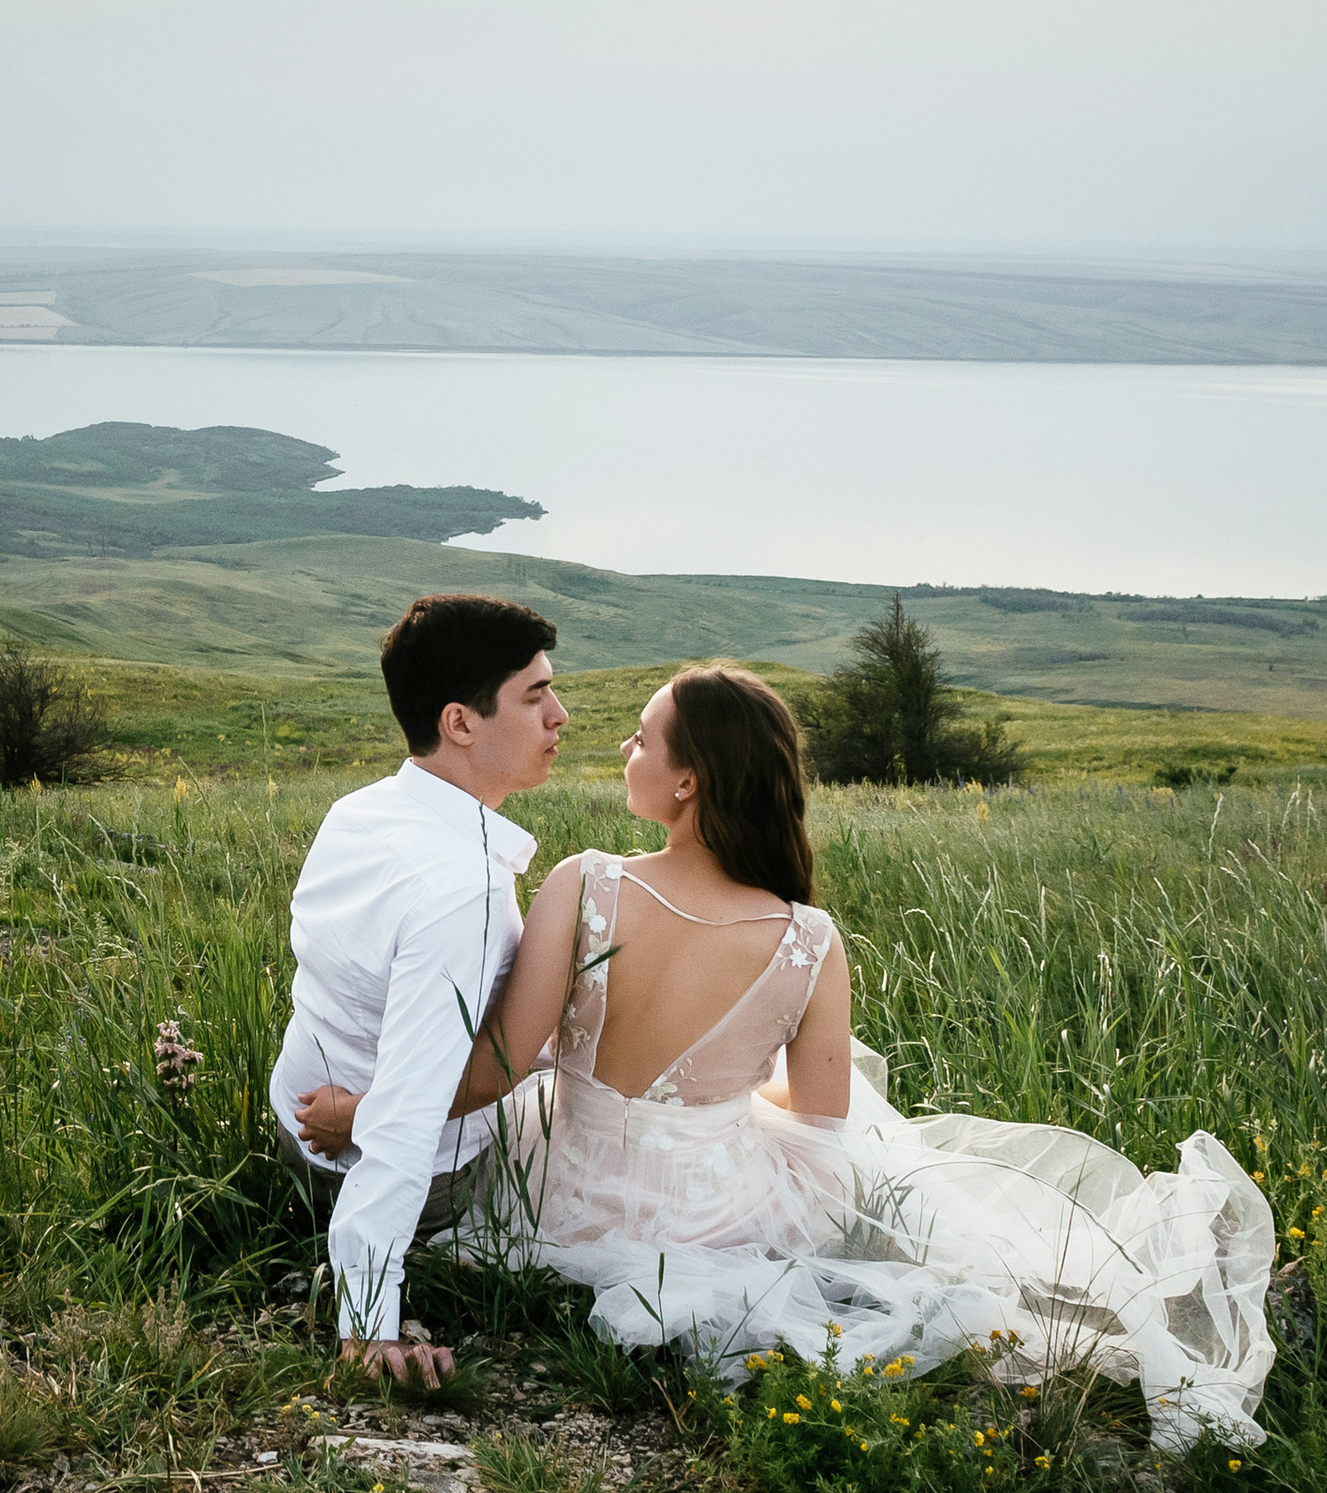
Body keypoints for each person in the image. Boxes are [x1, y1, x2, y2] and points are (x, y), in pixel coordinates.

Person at [297, 664, 1276, 1446]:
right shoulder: (810, 936)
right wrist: (716, 1092)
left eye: (642, 736)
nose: (623, 745)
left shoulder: (582, 882)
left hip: (569, 1183)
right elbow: (820, 1122)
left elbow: (497, 1067)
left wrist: (365, 1112)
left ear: (686, 780)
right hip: (719, 1200)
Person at [269, 594, 568, 1388]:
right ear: (460, 723)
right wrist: (369, 1321)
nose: (560, 715)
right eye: (535, 697)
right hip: (405, 1175)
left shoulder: (362, 809)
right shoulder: (459, 890)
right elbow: (402, 1119)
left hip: (295, 1129)